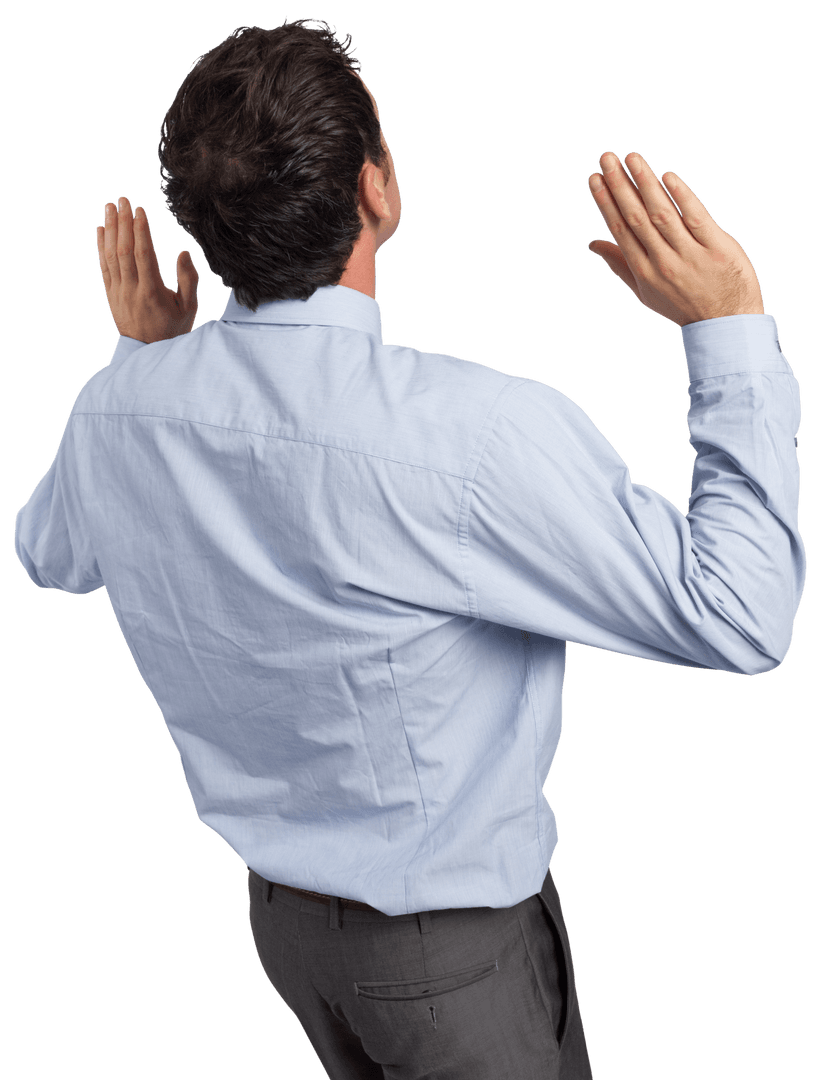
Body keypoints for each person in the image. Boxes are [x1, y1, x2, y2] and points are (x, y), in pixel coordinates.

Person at [13, 17, 804, 1080]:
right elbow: (739, 616)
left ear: (201, 229)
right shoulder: (470, 437)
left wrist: (141, 363)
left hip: (285, 936)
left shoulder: (117, 409)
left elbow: (50, 556)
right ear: (376, 189)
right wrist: (727, 330)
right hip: (449, 960)